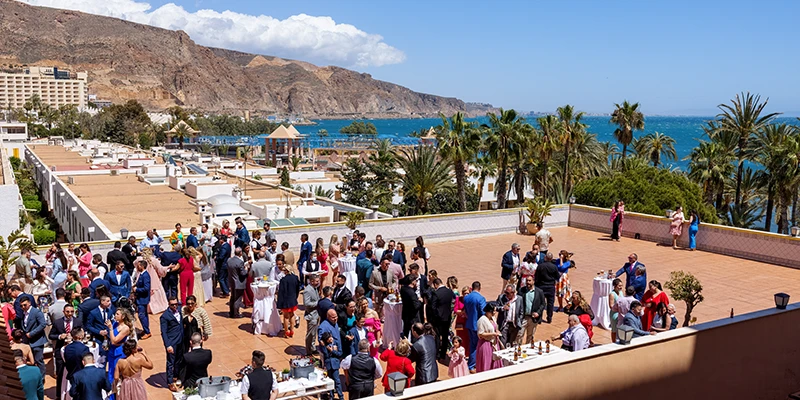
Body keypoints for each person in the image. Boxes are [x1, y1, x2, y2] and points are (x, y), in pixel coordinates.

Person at [49, 303, 81, 400]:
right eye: (67, 312)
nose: (70, 314)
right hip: (60, 351)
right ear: (63, 312)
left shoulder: (78, 321)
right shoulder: (57, 322)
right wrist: (59, 336)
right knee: (60, 373)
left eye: (72, 312)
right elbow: (51, 335)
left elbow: (82, 333)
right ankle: (59, 395)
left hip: (74, 351)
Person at [105, 308, 134, 397]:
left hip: (119, 352)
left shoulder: (125, 328)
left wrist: (110, 328)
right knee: (111, 372)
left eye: (117, 314)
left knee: (117, 374)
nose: (115, 315)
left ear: (123, 316)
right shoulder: (115, 324)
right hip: (111, 351)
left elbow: (114, 341)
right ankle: (111, 394)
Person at [319, 309, 344, 400]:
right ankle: (331, 396)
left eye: (336, 316)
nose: (335, 319)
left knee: (337, 380)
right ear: (328, 317)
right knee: (329, 379)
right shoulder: (323, 327)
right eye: (333, 317)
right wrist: (330, 350)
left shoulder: (335, 323)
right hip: (328, 358)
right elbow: (322, 342)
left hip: (336, 356)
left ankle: (340, 396)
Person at [160, 297, 184, 392]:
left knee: (179, 360)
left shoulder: (180, 311)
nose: (174, 306)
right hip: (172, 342)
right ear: (168, 305)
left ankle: (176, 376)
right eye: (172, 305)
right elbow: (164, 332)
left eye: (176, 304)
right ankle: (170, 382)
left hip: (181, 340)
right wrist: (168, 345)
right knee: (171, 362)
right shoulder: (165, 316)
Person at [462, 281, 486, 373]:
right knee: (476, 345)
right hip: (478, 325)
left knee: (472, 344)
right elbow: (483, 312)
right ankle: (472, 365)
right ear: (479, 288)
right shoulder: (481, 298)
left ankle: (472, 363)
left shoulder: (467, 298)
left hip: (469, 324)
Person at [20, 296, 47, 376]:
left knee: (38, 360)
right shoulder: (23, 314)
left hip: (37, 341)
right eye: (21, 306)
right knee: (30, 361)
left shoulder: (36, 312)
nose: (23, 307)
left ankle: (41, 378)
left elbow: (43, 324)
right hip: (27, 342)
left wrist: (31, 334)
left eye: (25, 305)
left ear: (29, 303)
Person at [429, 277, 455, 359]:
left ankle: (437, 354)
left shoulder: (436, 293)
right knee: (445, 336)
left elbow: (433, 307)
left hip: (438, 319)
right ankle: (443, 353)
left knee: (437, 336)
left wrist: (435, 316)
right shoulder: (449, 291)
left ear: (435, 285)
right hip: (447, 317)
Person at [516, 276, 545, 345]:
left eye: (529, 281)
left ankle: (527, 348)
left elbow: (543, 304)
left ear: (533, 281)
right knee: (519, 335)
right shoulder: (521, 290)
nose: (528, 282)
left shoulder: (539, 292)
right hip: (523, 317)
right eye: (527, 281)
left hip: (533, 319)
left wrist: (538, 313)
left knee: (530, 335)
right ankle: (518, 348)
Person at [475, 303, 503, 373]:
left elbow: (495, 327)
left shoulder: (493, 318)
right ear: (489, 311)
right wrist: (493, 334)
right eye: (494, 311)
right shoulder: (482, 320)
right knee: (487, 363)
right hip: (485, 344)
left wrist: (496, 331)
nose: (495, 312)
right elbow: (480, 334)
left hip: (494, 343)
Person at [534, 252, 559, 324]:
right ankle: (549, 317)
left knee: (541, 303)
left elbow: (536, 276)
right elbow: (557, 277)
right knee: (550, 303)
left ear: (545, 258)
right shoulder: (554, 267)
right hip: (550, 287)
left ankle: (539, 318)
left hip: (541, 286)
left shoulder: (540, 266)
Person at [277, 264, 302, 338]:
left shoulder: (283, 280)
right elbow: (297, 289)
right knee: (292, 315)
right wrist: (295, 297)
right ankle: (292, 330)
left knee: (286, 316)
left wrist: (279, 303)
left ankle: (286, 332)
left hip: (286, 301)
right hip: (293, 300)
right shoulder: (295, 278)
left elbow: (281, 293)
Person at [132, 260, 152, 340]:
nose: (137, 267)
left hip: (143, 299)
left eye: (138, 265)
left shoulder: (145, 275)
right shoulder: (142, 274)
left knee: (141, 315)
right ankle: (146, 329)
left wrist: (136, 289)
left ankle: (147, 332)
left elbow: (146, 288)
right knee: (144, 315)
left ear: (142, 266)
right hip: (141, 298)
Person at [227, 248, 248, 318]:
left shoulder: (229, 260)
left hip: (232, 282)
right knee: (238, 299)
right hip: (239, 282)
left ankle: (231, 312)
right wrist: (246, 269)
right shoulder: (240, 262)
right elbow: (243, 273)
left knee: (232, 297)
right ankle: (236, 313)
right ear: (240, 253)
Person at [303, 275, 320, 356]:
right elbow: (306, 303)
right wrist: (318, 303)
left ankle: (313, 348)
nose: (318, 282)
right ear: (311, 281)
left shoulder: (315, 288)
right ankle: (308, 351)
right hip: (311, 315)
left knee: (314, 333)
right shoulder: (307, 290)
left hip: (316, 315)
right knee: (310, 334)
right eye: (316, 281)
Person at [609, 278, 624, 343]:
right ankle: (613, 342)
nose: (621, 287)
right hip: (615, 314)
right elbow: (611, 306)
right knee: (614, 329)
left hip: (621, 313)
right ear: (615, 286)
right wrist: (619, 308)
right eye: (619, 286)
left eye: (621, 286)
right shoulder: (612, 294)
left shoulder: (621, 292)